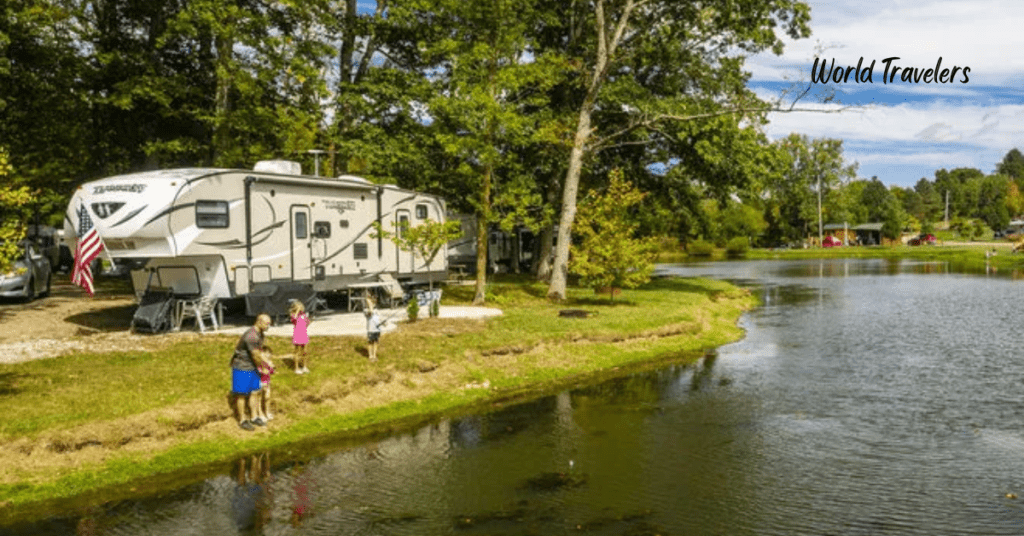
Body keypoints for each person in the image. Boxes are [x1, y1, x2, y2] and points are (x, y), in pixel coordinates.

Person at [231, 314, 272, 431]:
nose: (269, 326)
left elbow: (259, 353)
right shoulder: (252, 336)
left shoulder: (260, 334)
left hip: (253, 366)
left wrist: (267, 362)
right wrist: (263, 367)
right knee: (241, 394)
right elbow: (255, 354)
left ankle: (254, 417)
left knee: (255, 391)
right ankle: (242, 420)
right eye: (267, 323)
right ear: (259, 322)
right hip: (242, 366)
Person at [290, 300, 311, 374]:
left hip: (304, 334)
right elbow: (294, 319)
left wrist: (307, 321)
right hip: (297, 335)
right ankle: (296, 368)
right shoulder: (293, 315)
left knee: (305, 352)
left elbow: (307, 322)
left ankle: (304, 366)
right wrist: (297, 311)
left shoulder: (303, 314)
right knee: (297, 352)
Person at [364, 296, 385, 361]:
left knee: (376, 342)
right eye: (368, 303)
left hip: (377, 329)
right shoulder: (365, 310)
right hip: (370, 329)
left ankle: (374, 355)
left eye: (371, 302)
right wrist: (370, 307)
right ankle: (370, 356)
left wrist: (383, 322)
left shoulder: (377, 311)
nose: (369, 304)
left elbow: (380, 318)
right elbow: (370, 313)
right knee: (370, 342)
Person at [257, 348, 275, 420]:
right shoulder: (258, 363)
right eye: (265, 353)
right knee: (259, 398)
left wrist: (271, 367)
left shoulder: (269, 362)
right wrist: (262, 371)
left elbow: (272, 372)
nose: (267, 355)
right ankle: (260, 413)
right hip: (259, 382)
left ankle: (267, 412)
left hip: (267, 382)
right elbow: (257, 371)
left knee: (267, 397)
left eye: (269, 354)